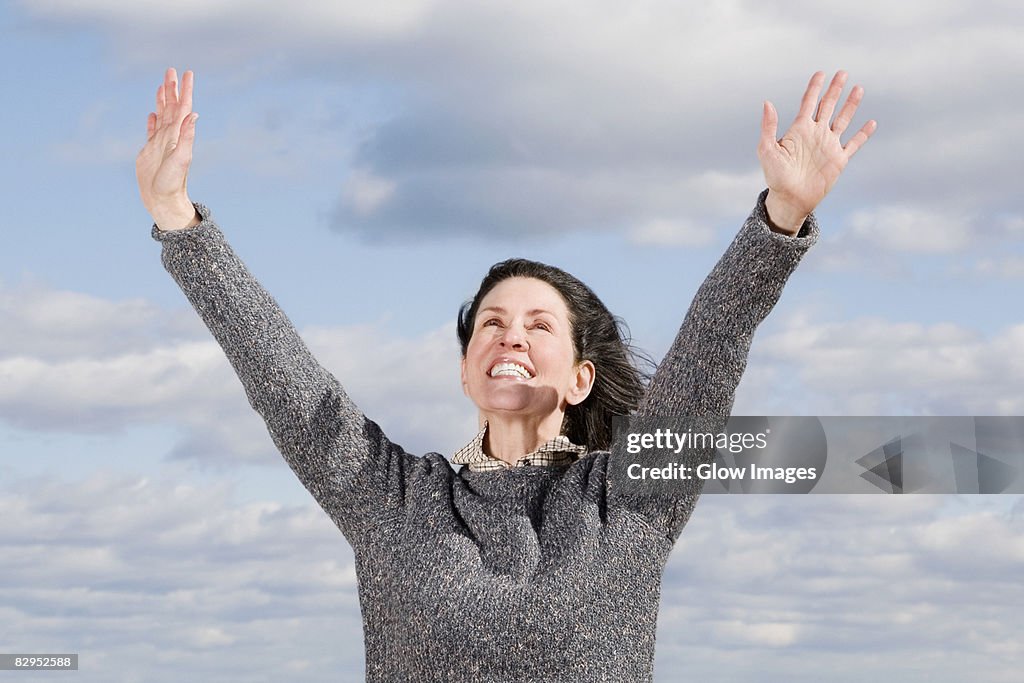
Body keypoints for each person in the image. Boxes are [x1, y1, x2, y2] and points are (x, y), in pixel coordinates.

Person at [137, 68, 874, 682]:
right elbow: (288, 385)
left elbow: (713, 343)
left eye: (538, 323)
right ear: (465, 372)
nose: (509, 335)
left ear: (581, 379)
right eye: (490, 322)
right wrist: (178, 220)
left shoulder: (633, 497)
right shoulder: (395, 502)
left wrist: (780, 216)